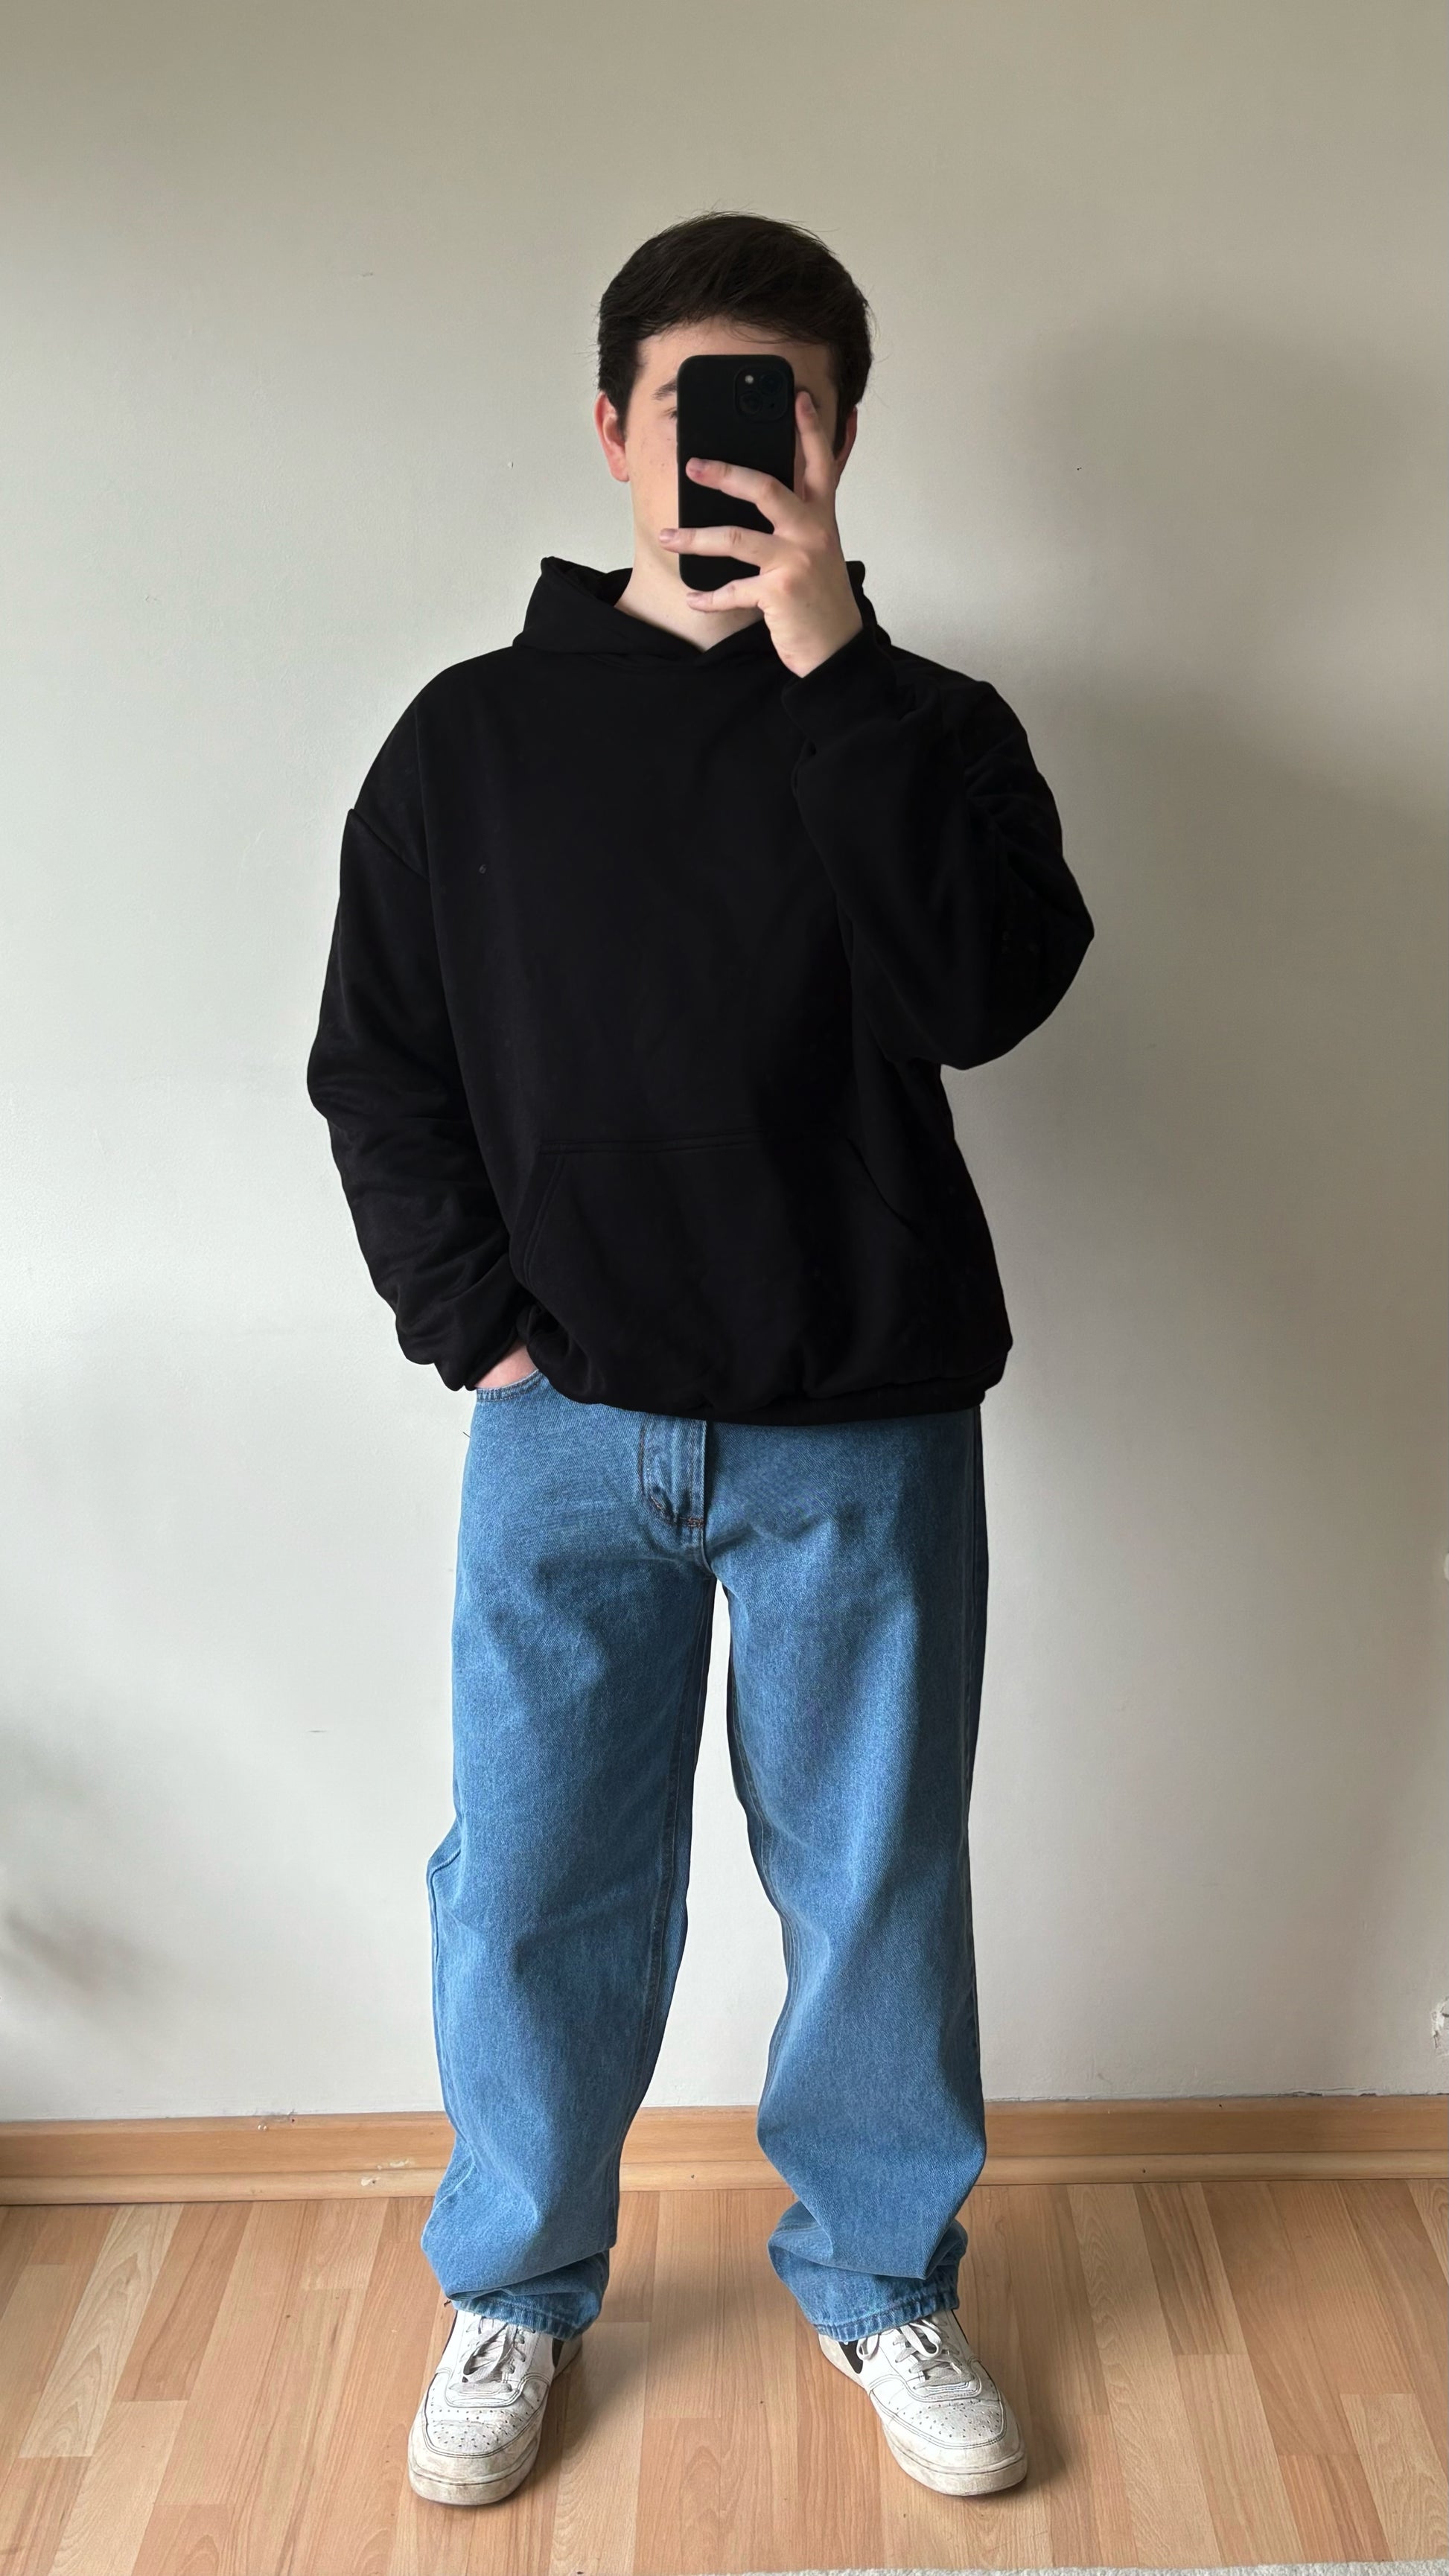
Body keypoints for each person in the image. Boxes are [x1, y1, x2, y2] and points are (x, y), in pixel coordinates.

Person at [305, 208, 1094, 2510]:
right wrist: (472, 1324)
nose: (736, 449)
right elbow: (379, 1064)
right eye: (694, 407)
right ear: (610, 429)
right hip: (564, 1427)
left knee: (872, 1883)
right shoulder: (470, 741)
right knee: (533, 1882)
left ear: (840, 436)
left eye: (787, 409)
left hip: (864, 1413)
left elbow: (983, 994)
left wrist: (830, 659)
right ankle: (514, 2284)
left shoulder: (928, 730)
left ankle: (882, 2278)